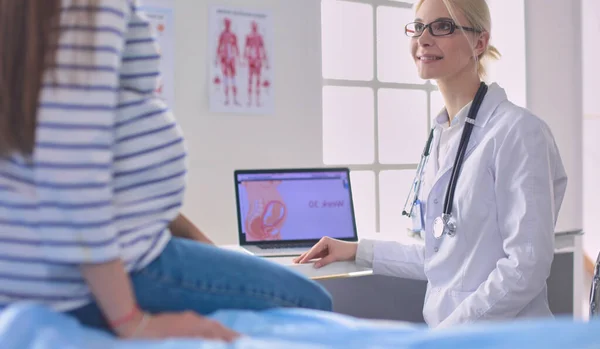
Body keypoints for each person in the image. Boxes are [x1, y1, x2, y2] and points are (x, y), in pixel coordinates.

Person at [0, 0, 332, 342]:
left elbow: (95, 177)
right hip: (90, 271)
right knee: (309, 301)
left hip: (40, 258)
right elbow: (73, 169)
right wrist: (132, 322)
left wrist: (207, 252)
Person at [295, 0, 567, 329]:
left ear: (479, 42)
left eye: (443, 26)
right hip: (452, 334)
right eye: (418, 26)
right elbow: (440, 256)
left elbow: (526, 267)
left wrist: (449, 335)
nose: (424, 39)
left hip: (503, 337)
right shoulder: (443, 135)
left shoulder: (519, 133)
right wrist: (357, 250)